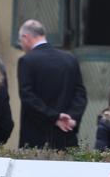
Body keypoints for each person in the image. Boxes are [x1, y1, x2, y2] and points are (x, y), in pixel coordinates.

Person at [16, 19, 87, 149]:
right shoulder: (70, 59)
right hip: (66, 135)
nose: (21, 45)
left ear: (25, 37)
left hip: (36, 139)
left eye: (20, 41)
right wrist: (71, 119)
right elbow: (80, 94)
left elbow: (28, 97)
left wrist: (54, 117)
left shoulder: (26, 61)